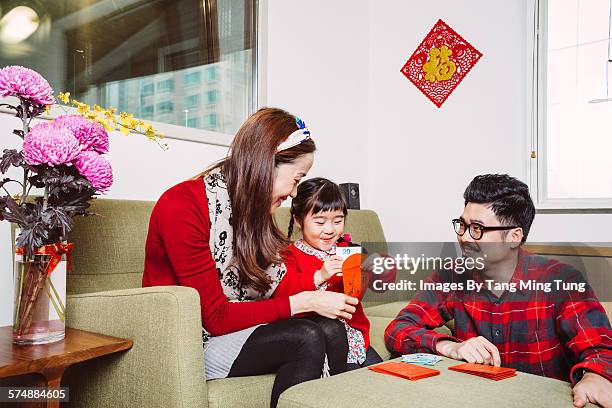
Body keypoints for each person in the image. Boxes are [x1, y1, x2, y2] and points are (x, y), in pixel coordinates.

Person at [143, 108, 358, 408]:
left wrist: (319, 281)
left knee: (332, 327)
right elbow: (215, 319)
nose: (295, 192)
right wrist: (307, 301)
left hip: (234, 331)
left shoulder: (255, 215)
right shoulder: (181, 205)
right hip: (189, 340)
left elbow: (276, 287)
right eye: (296, 179)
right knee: (306, 335)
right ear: (266, 163)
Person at [384, 174, 612, 408]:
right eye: (462, 225)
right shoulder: (453, 275)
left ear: (514, 236)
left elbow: (601, 349)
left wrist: (596, 376)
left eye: (477, 229)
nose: (463, 237)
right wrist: (449, 346)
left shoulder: (560, 281)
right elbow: (398, 330)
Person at [273, 177, 383, 371]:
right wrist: (319, 276)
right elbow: (283, 295)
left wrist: (365, 274)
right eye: (320, 222)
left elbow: (354, 297)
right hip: (322, 341)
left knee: (383, 379)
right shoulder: (290, 255)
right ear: (298, 220)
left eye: (338, 221)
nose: (330, 230)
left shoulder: (346, 249)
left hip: (356, 338)